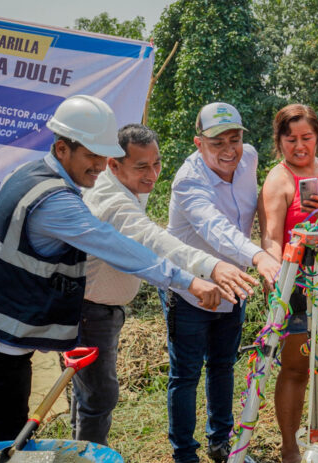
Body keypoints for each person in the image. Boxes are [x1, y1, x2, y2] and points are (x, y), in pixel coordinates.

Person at [0, 95, 227, 446]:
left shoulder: (28, 173)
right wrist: (189, 280)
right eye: (91, 156)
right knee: (6, 442)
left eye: (103, 155)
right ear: (62, 148)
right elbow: (121, 246)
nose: (100, 166)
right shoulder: (58, 201)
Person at [73, 124, 258, 446]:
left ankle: (82, 457)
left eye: (156, 163)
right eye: (141, 166)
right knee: (99, 395)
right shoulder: (111, 199)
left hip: (104, 308)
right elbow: (153, 239)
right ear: (113, 164)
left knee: (90, 393)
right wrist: (209, 267)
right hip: (90, 310)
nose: (153, 174)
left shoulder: (126, 185)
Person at [161, 102, 281, 463]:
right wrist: (260, 256)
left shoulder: (250, 160)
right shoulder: (187, 181)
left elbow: (255, 207)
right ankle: (185, 458)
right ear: (199, 143)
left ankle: (221, 441)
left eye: (236, 139)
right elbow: (216, 229)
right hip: (191, 287)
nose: (230, 150)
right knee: (186, 373)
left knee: (223, 365)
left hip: (234, 285)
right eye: (218, 143)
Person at [256, 104, 318, 463]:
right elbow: (270, 237)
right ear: (279, 140)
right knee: (296, 368)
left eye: (307, 138)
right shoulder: (278, 179)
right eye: (291, 139)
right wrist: (273, 281)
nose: (300, 146)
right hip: (296, 286)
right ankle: (289, 445)